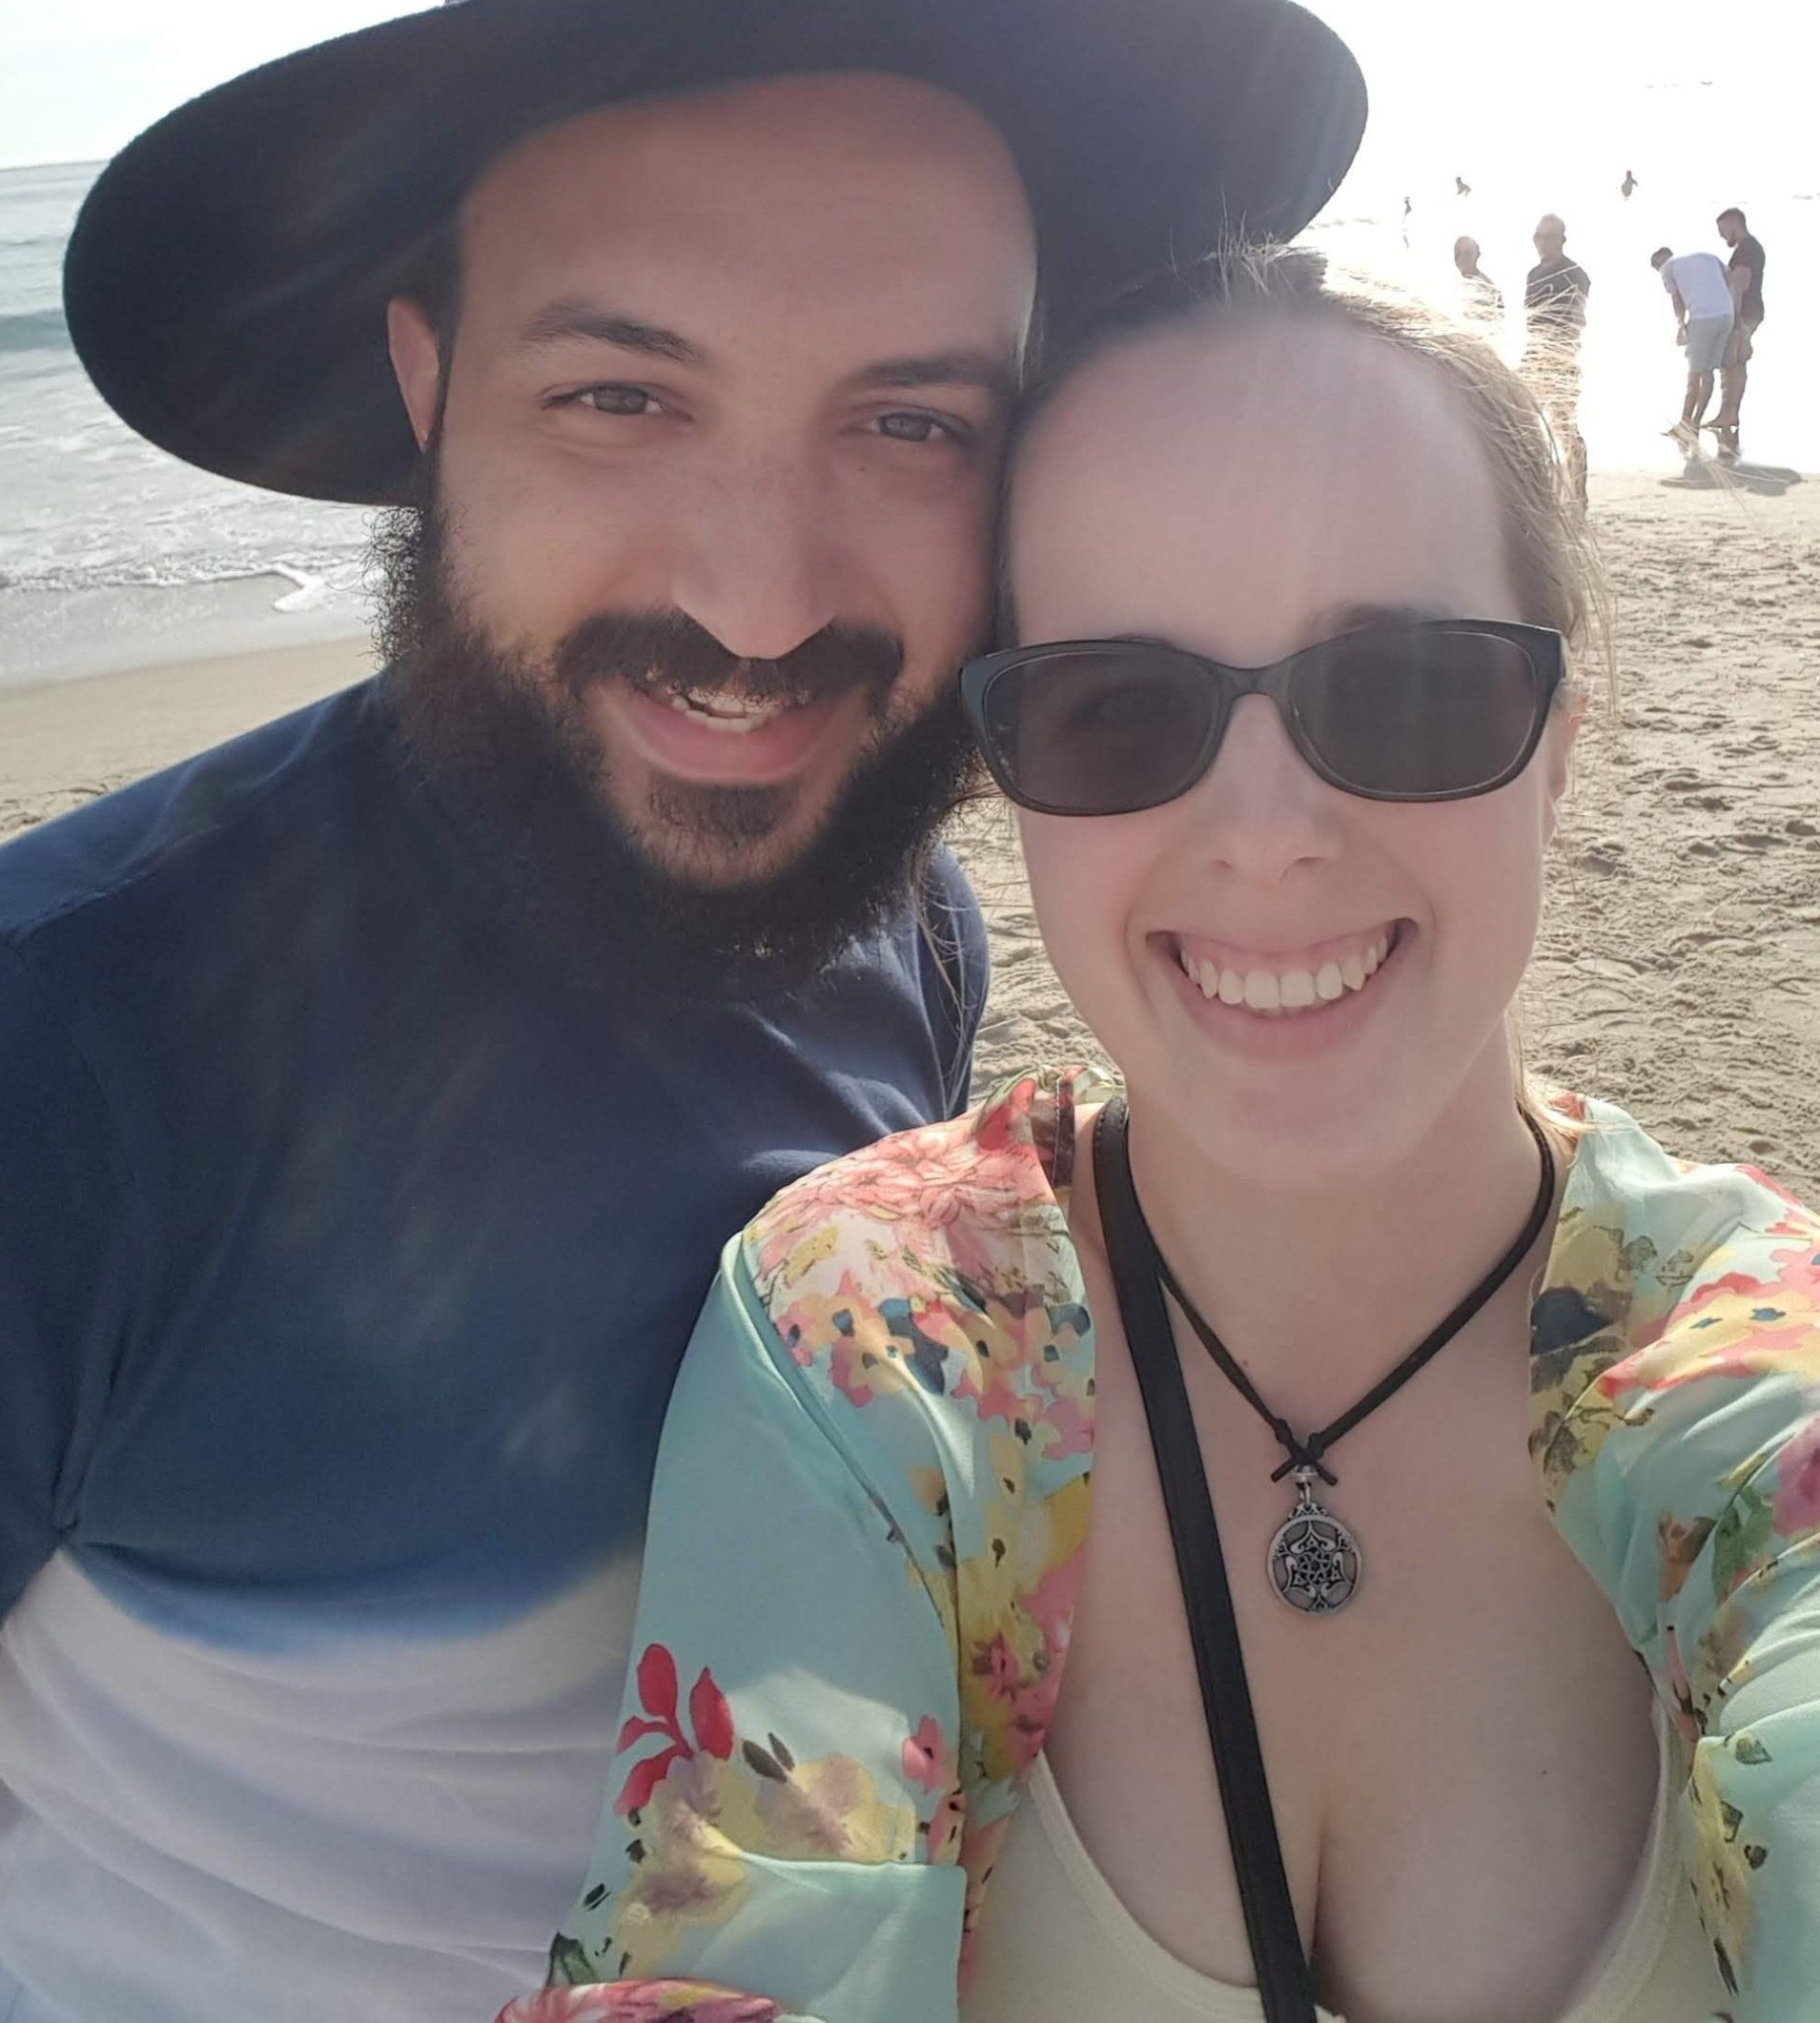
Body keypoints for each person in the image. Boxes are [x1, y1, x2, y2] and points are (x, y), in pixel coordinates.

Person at [0, 0, 1364, 2023]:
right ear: (426, 388)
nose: (758, 603)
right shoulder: (64, 1056)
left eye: (911, 419)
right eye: (624, 398)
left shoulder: (899, 909)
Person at [522, 252, 1816, 2022]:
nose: (1268, 834)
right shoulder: (869, 1353)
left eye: (1411, 686)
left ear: (1559, 747)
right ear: (1008, 775)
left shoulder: (1772, 1393)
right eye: (1119, 709)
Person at [1524, 213, 1592, 505]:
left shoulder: (1574, 274)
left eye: (1549, 237)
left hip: (1563, 358)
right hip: (1535, 356)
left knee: (1565, 426)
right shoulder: (1533, 275)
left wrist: (1562, 351)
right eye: (1538, 237)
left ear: (1562, 240)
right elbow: (1531, 322)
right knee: (1528, 425)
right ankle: (1542, 491)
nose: (1542, 242)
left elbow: (1578, 319)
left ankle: (1578, 493)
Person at [1650, 245, 1737, 445]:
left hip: (1703, 317)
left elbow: (1676, 300)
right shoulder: (1706, 255)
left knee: (1695, 374)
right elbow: (1730, 277)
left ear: (1658, 262)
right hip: (1726, 315)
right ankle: (1694, 422)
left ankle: (1686, 425)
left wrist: (1681, 325)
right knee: (1708, 372)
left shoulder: (1667, 267)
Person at [1713, 206, 1768, 455]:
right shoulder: (1747, 249)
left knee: (1734, 363)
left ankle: (1730, 414)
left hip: (1744, 312)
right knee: (1732, 363)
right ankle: (1727, 413)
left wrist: (1733, 319)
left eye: (1723, 230)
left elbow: (1741, 285)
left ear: (1734, 223)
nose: (1722, 236)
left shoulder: (1747, 250)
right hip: (1749, 311)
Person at [1452, 233, 1502, 326]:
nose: (1461, 258)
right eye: (1457, 253)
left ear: (1477, 255)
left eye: (1467, 253)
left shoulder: (1487, 288)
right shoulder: (1451, 285)